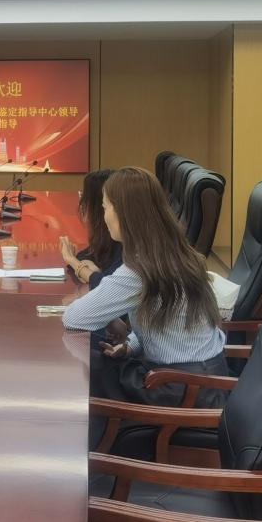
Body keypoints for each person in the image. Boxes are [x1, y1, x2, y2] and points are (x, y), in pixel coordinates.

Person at [62, 166, 227, 409]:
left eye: (106, 207)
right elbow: (171, 329)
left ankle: (100, 432)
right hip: (204, 381)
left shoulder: (140, 270)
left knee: (88, 365)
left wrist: (109, 317)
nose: (104, 216)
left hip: (183, 389)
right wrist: (129, 346)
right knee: (97, 359)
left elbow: (73, 318)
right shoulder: (174, 252)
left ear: (124, 213)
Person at [59, 169, 123, 288]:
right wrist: (83, 264)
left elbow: (107, 286)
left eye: (106, 206)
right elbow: (88, 255)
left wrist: (73, 261)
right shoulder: (107, 238)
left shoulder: (127, 247)